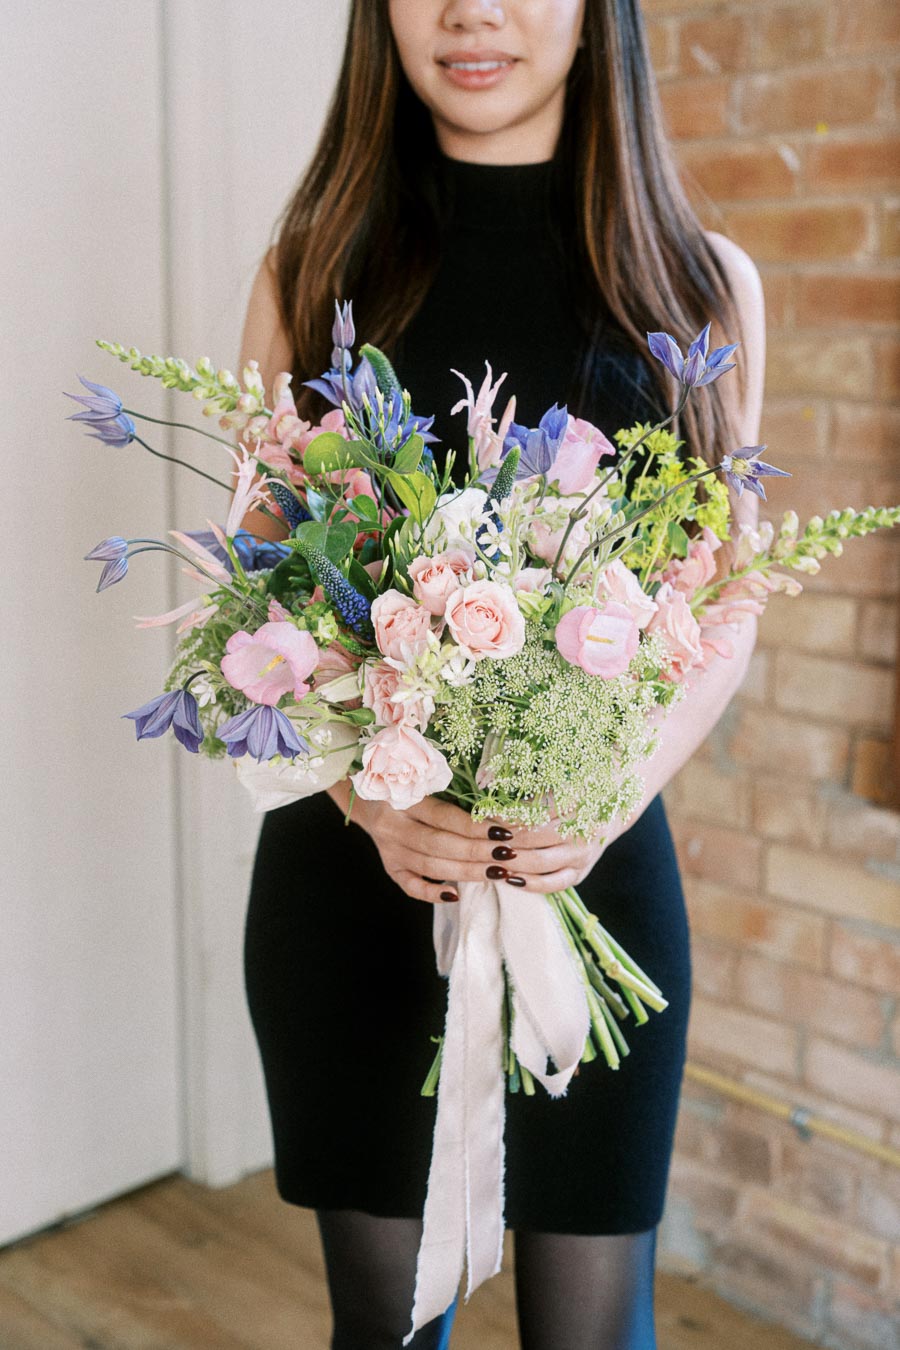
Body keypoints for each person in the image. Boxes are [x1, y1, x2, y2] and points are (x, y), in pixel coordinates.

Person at [239, 3, 765, 1347]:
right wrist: (367, 794)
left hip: (585, 884)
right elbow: (260, 604)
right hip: (355, 892)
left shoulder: (702, 290)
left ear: (600, 19)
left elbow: (726, 606)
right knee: (388, 1331)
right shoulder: (308, 273)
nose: (471, 9)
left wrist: (604, 793)